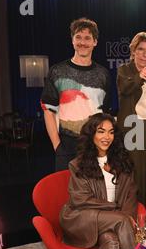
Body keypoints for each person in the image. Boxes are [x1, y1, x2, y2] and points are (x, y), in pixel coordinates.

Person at [55, 113, 137, 249]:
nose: (107, 137)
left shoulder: (123, 161)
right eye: (101, 131)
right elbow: (81, 200)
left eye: (111, 132)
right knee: (122, 222)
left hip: (112, 218)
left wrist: (127, 213)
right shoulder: (78, 165)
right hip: (82, 216)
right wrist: (116, 210)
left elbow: (130, 192)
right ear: (91, 134)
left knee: (111, 240)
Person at [41, 17, 112, 171]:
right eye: (78, 37)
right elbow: (48, 111)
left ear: (95, 42)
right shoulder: (57, 71)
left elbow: (105, 114)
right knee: (65, 192)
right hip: (66, 146)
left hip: (95, 144)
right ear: (72, 40)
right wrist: (57, 146)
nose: (82, 42)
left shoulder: (103, 74)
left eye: (87, 38)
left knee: (95, 191)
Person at [116, 32, 146, 204]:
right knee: (133, 175)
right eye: (140, 49)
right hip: (132, 131)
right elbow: (125, 88)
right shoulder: (125, 70)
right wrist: (139, 77)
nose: (144, 54)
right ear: (133, 51)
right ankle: (130, 218)